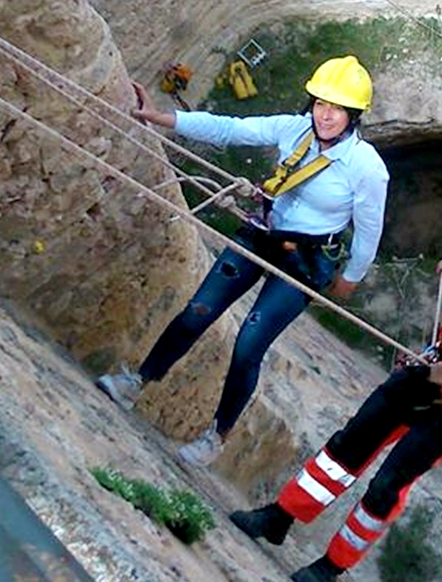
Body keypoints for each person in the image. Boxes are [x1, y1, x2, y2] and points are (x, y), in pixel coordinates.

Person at [96, 55, 390, 466]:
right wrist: (164, 118)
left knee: (249, 343)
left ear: (354, 115)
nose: (326, 115)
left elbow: (369, 228)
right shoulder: (293, 129)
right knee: (199, 310)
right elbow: (231, 129)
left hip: (304, 259)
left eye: (337, 108)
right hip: (262, 232)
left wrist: (351, 277)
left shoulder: (366, 168)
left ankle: (217, 435)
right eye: (321, 104)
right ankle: (137, 381)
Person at [229, 226, 442, 582]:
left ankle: (330, 567)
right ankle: (280, 516)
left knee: (386, 486)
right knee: (347, 446)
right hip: (432, 374)